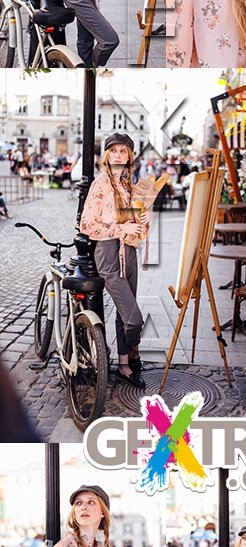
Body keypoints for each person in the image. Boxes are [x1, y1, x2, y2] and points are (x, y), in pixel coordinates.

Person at [80, 132, 150, 387]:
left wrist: (142, 221)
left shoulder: (127, 184)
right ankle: (134, 351)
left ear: (130, 155)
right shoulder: (100, 184)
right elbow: (87, 225)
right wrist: (122, 229)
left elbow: (131, 222)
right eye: (114, 150)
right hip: (109, 253)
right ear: (107, 155)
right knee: (134, 318)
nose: (118, 155)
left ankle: (123, 365)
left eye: (123, 151)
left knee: (124, 313)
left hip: (128, 251)